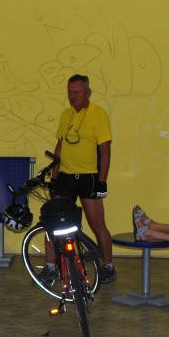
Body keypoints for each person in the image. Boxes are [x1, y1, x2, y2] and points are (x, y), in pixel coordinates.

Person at [43, 73, 116, 284]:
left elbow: (105, 151)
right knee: (53, 222)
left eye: (76, 92)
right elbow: (59, 147)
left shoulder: (98, 114)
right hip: (65, 177)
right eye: (69, 93)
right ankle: (51, 268)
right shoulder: (66, 115)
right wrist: (54, 176)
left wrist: (102, 181)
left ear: (88, 93)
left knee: (97, 225)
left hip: (88, 177)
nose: (72, 96)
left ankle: (108, 266)